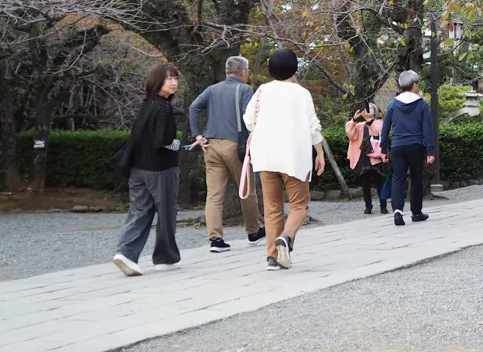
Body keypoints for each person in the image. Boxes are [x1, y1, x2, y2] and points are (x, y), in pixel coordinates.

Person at [243, 48, 325, 271]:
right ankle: (286, 237)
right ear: (294, 68)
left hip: (265, 156)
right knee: (299, 204)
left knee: (272, 208)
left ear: (270, 69)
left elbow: (249, 120)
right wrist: (319, 152)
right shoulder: (301, 93)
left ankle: (272, 257)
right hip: (293, 156)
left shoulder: (261, 91)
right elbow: (313, 126)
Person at [112, 63, 183, 276]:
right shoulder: (164, 107)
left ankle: (125, 253)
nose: (173, 82)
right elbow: (161, 141)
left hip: (138, 169)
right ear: (157, 81)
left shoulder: (147, 104)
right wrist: (176, 144)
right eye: (168, 78)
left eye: (175, 78)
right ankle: (165, 258)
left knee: (139, 211)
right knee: (166, 213)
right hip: (161, 170)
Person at [188, 55, 264, 252]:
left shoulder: (212, 89)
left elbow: (194, 107)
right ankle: (253, 232)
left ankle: (215, 239)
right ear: (244, 72)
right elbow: (249, 118)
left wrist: (198, 135)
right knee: (246, 190)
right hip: (235, 146)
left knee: (214, 195)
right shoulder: (244, 89)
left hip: (211, 145)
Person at [379, 70, 436, 226]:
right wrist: (430, 150)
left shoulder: (393, 104)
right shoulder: (422, 104)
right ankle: (416, 212)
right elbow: (427, 128)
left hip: (397, 146)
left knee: (398, 177)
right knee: (416, 178)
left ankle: (397, 211)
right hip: (416, 145)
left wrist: (383, 149)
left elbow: (385, 128)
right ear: (415, 85)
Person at [346, 102, 389, 214]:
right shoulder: (361, 125)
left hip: (376, 157)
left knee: (380, 182)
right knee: (365, 183)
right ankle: (368, 206)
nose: (367, 110)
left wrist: (369, 120)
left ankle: (383, 205)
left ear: (375, 112)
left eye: (370, 108)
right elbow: (350, 134)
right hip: (363, 157)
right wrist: (354, 119)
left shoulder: (380, 123)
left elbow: (377, 132)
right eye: (366, 108)